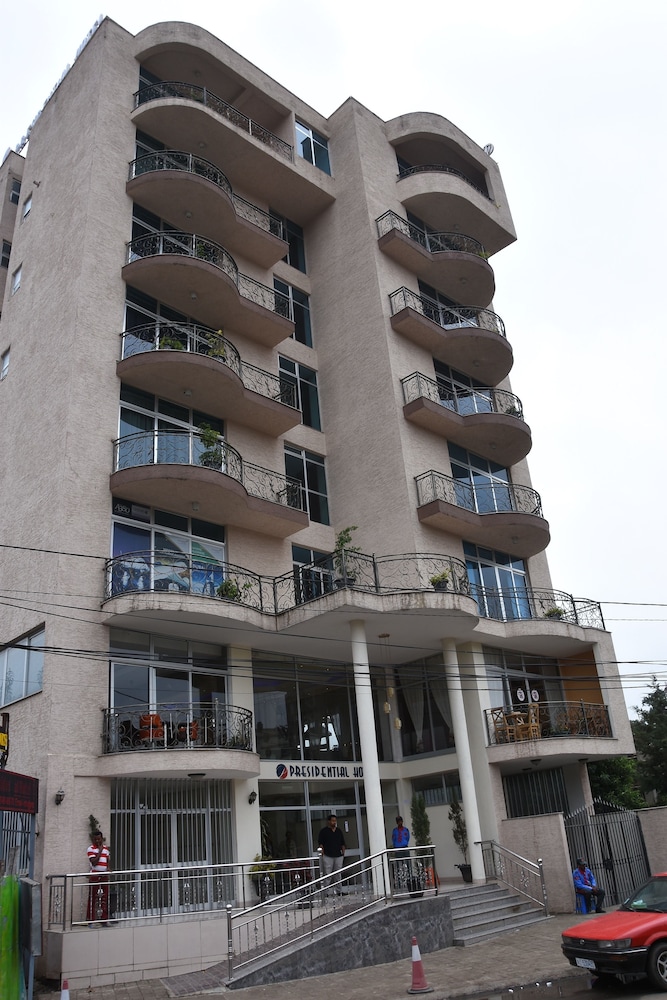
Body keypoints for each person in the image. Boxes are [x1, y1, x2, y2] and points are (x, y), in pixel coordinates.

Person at [87, 830, 111, 925]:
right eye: (95, 839)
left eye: (99, 839)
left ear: (102, 839)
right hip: (95, 875)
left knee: (105, 897)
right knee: (93, 897)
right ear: (93, 839)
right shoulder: (91, 849)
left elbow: (107, 860)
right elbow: (94, 862)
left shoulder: (106, 849)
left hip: (104, 875)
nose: (97, 841)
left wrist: (108, 868)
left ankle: (104, 919)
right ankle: (91, 919)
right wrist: (100, 851)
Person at [317, 814, 346, 893]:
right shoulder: (324, 831)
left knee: (338, 874)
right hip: (328, 856)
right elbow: (321, 844)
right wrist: (323, 853)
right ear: (329, 821)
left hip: (338, 855)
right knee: (328, 874)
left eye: (335, 821)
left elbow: (342, 843)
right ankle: (325, 892)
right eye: (333, 821)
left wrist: (343, 853)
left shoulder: (338, 831)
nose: (334, 822)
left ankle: (339, 891)